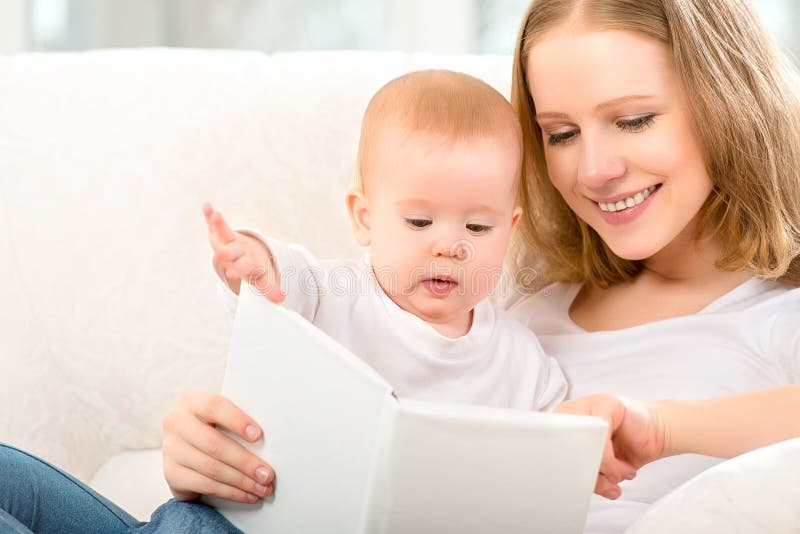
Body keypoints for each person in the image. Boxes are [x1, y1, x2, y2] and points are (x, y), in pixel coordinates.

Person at [504, 0, 800, 531]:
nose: (594, 171)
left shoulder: (777, 315)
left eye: (634, 121)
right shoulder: (524, 307)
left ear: (728, 103)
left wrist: (661, 428)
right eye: (561, 134)